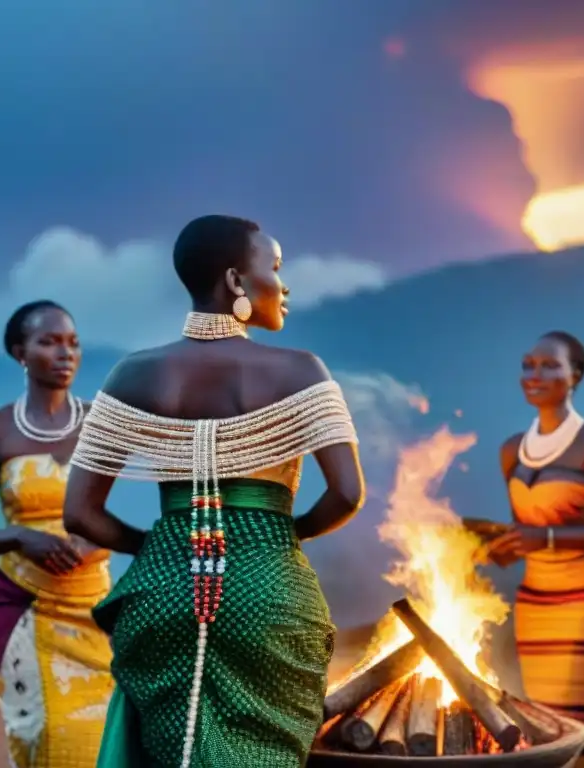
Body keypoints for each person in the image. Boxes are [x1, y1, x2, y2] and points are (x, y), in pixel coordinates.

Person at [63, 214, 365, 768]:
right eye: (273, 268)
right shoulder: (301, 371)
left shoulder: (132, 374)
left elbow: (80, 513)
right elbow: (346, 494)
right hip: (268, 589)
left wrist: (163, 545)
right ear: (234, 283)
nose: (284, 283)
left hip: (165, 590)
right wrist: (276, 536)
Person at [0, 301, 114, 768]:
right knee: (44, 733)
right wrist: (21, 537)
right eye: (48, 342)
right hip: (23, 606)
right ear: (19, 352)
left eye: (73, 342)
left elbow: (116, 517)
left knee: (100, 735)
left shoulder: (102, 425)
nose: (65, 353)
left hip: (94, 610)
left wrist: (94, 543)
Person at [484, 331, 584, 768]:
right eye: (529, 364)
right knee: (549, 723)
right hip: (535, 599)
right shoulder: (512, 450)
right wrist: (502, 546)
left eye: (550, 365)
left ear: (576, 376)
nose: (535, 374)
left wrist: (545, 540)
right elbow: (526, 528)